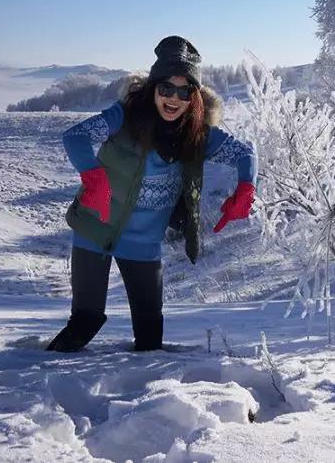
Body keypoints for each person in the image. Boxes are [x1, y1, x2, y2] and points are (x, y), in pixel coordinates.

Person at [46, 35, 257, 353]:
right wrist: (95, 178)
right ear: (153, 88)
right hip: (95, 227)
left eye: (184, 90)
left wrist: (246, 188)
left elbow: (246, 155)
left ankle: (145, 399)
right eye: (166, 88)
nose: (174, 97)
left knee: (149, 336)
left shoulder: (198, 135)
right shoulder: (124, 117)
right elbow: (76, 136)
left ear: (194, 97)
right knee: (85, 322)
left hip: (143, 244)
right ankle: (41, 384)